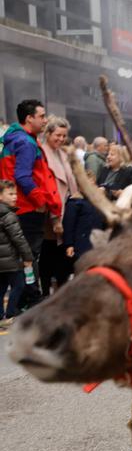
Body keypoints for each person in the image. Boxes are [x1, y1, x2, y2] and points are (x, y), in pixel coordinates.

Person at [0, 99, 63, 309]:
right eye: (42, 116)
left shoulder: (13, 139)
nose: (45, 120)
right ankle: (31, 298)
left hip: (16, 207)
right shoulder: (26, 142)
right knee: (29, 256)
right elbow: (23, 176)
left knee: (18, 257)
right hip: (27, 209)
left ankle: (22, 300)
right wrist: (41, 201)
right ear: (29, 118)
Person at [40, 116, 77, 295]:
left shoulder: (63, 154)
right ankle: (45, 291)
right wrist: (55, 217)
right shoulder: (42, 153)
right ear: (48, 133)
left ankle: (60, 290)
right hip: (50, 212)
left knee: (62, 254)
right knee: (48, 253)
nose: (61, 139)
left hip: (64, 208)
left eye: (64, 136)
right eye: (57, 135)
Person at [0, 179, 34, 326]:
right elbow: (18, 238)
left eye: (15, 194)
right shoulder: (8, 215)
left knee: (1, 288)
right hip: (11, 259)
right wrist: (28, 257)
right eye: (10, 194)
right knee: (19, 285)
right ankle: (10, 314)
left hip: (2, 260)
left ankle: (1, 316)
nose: (15, 197)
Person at [62, 170, 104, 261]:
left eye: (93, 185)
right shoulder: (74, 203)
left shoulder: (98, 202)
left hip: (96, 245)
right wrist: (69, 245)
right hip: (81, 246)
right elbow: (68, 225)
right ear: (80, 187)